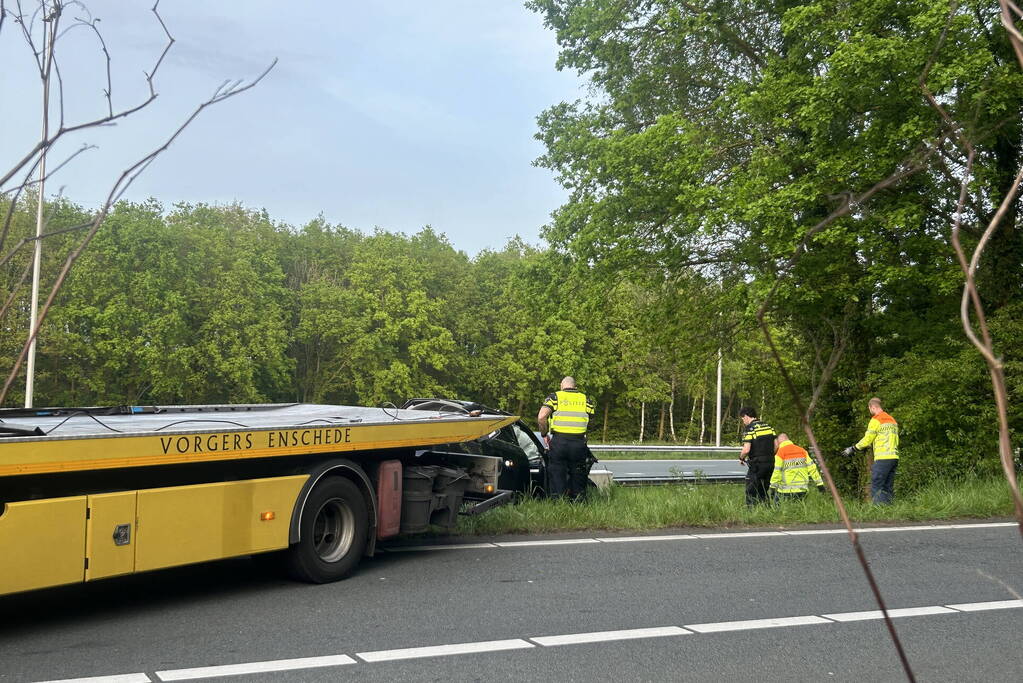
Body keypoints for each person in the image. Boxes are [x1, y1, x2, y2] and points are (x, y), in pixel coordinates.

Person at [537, 376, 595, 500]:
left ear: (561, 386)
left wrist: (544, 434)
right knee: (578, 474)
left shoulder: (555, 397)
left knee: (557, 473)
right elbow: (590, 422)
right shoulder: (586, 400)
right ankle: (578, 501)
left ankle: (559, 502)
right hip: (578, 443)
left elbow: (541, 417)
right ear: (575, 387)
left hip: (559, 442)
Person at [843, 397, 899, 504]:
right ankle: (890, 511)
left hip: (882, 458)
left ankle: (879, 511)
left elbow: (868, 439)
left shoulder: (876, 420)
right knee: (888, 487)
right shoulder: (892, 420)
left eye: (869, 409)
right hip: (894, 458)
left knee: (877, 486)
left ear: (872, 407)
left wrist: (854, 448)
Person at [738, 406, 776, 506]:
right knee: (763, 490)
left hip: (757, 464)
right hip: (770, 463)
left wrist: (741, 458)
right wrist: (769, 456)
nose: (743, 421)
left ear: (746, 416)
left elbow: (746, 449)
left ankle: (751, 513)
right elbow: (777, 446)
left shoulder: (750, 429)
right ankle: (766, 511)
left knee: (751, 490)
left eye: (742, 419)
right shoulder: (768, 426)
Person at [770, 433, 824, 501]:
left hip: (785, 491)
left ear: (778, 442)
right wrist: (820, 484)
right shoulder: (802, 451)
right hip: (803, 490)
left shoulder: (780, 453)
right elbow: (812, 469)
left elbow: (777, 472)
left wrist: (772, 488)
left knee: (777, 507)